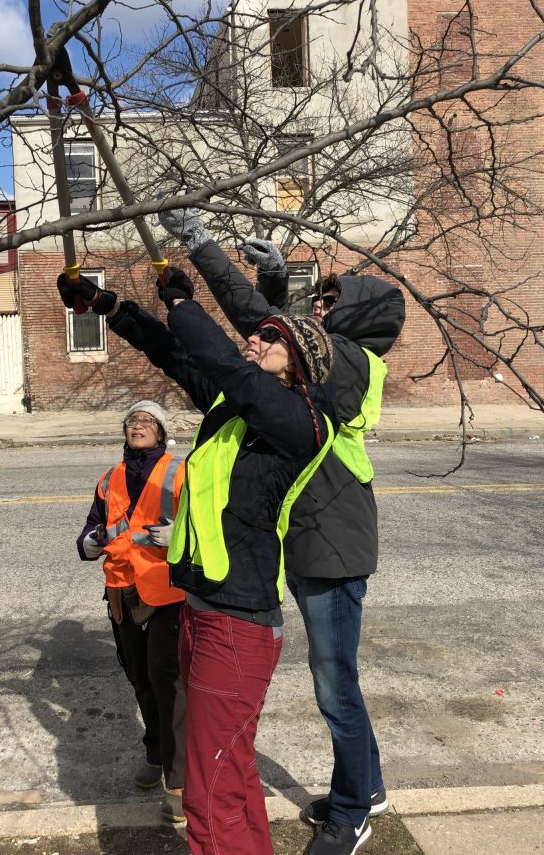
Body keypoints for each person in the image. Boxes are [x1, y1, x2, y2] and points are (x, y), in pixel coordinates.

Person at [59, 267, 338, 855]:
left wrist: (184, 301)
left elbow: (224, 364)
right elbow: (175, 356)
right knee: (228, 772)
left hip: (239, 624)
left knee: (207, 789)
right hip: (202, 607)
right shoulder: (234, 412)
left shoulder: (303, 423)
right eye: (254, 334)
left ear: (300, 362)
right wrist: (111, 306)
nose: (253, 340)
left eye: (269, 337)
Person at [158, 208, 405, 855]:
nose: (314, 307)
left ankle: (355, 809)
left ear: (357, 321)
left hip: (330, 539)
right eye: (314, 298)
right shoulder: (327, 352)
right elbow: (270, 337)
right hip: (287, 539)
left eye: (327, 302)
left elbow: (266, 343)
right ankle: (367, 786)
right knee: (313, 688)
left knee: (333, 682)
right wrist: (272, 288)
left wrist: (205, 249)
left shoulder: (352, 361)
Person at [76, 399, 186, 822]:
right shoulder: (110, 478)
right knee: (140, 679)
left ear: (160, 430)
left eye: (146, 421)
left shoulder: (180, 472)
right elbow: (89, 531)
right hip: (122, 591)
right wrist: (90, 540)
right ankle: (155, 754)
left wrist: (180, 535)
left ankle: (179, 781)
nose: (138, 426)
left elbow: (207, 522)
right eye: (132, 421)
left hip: (167, 591)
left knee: (169, 682)